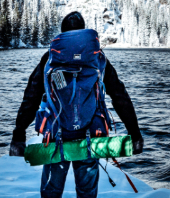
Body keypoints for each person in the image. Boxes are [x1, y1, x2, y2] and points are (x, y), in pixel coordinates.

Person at [9, 11, 144, 198]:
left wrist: (19, 134)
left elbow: (31, 97)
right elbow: (120, 96)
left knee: (51, 193)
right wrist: (134, 132)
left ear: (63, 33)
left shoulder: (50, 59)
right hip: (90, 137)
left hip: (55, 137)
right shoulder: (98, 58)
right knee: (87, 193)